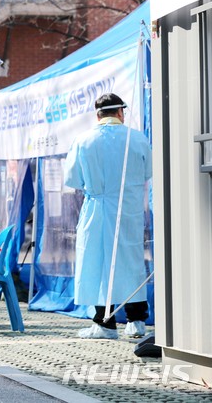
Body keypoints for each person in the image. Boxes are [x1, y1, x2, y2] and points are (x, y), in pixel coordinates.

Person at [64, 93, 152, 340]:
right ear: (121, 113)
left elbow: (72, 179)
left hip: (98, 208)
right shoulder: (137, 138)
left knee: (99, 262)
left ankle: (105, 322)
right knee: (131, 260)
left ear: (98, 114)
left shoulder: (84, 140)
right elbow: (148, 171)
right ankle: (136, 321)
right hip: (129, 208)